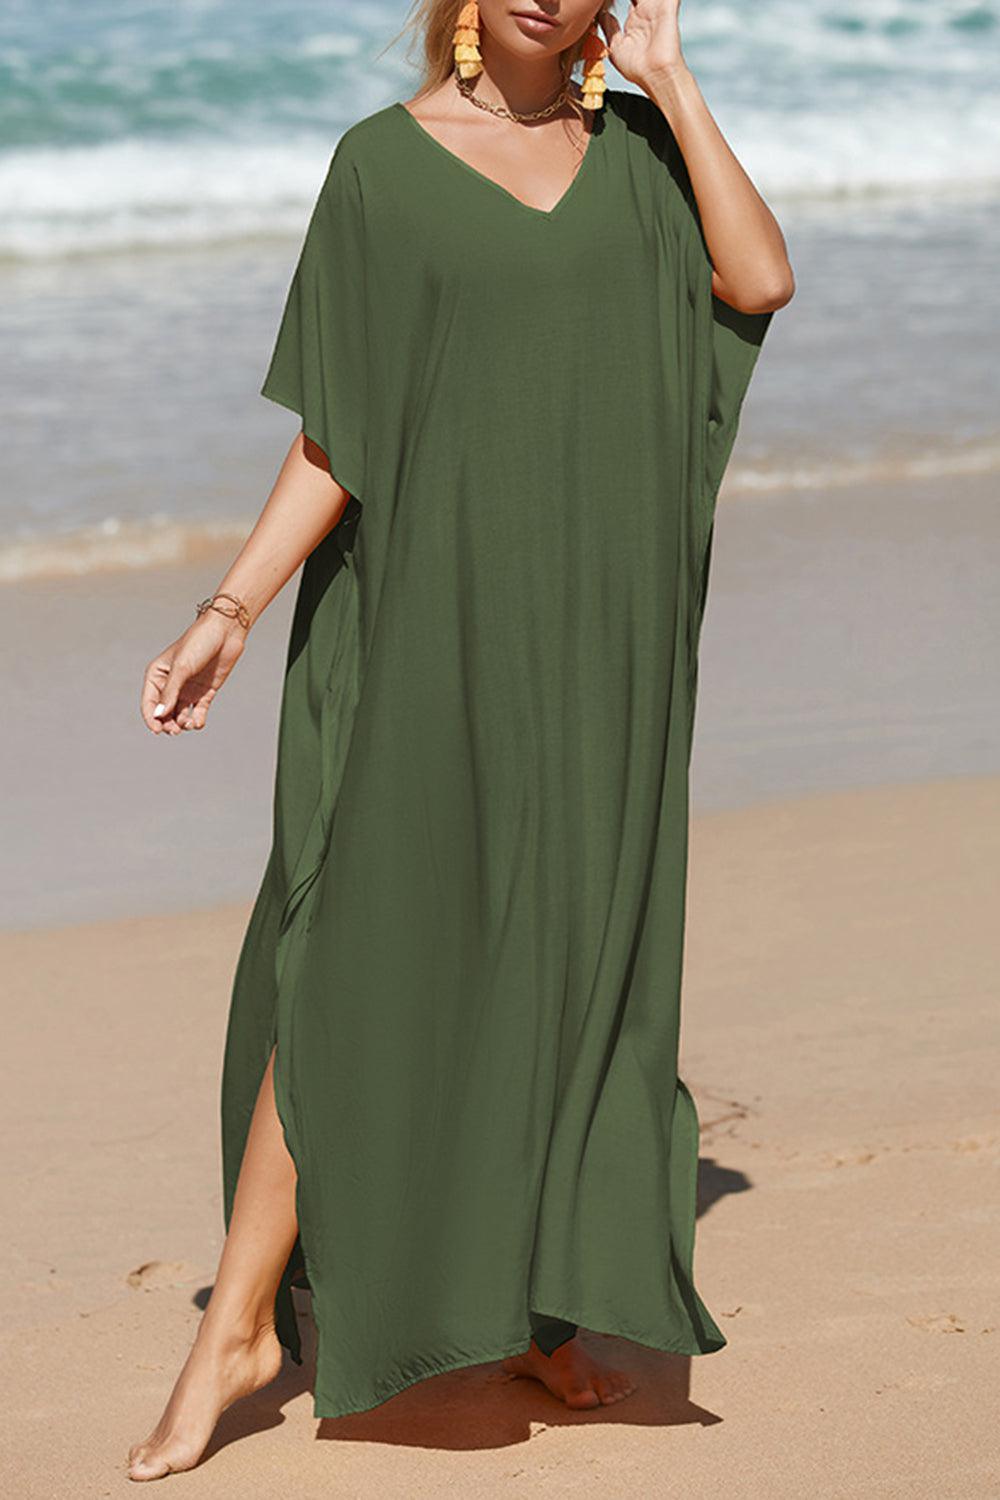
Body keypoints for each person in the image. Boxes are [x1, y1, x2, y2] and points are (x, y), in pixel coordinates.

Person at [128, 0, 793, 1480]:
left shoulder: (644, 150)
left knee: (572, 951)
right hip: (432, 616)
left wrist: (674, 81)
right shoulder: (381, 163)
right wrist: (233, 606)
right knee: (360, 944)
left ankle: (537, 1307)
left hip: (604, 632)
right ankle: (237, 1325)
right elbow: (342, 430)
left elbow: (759, 279)